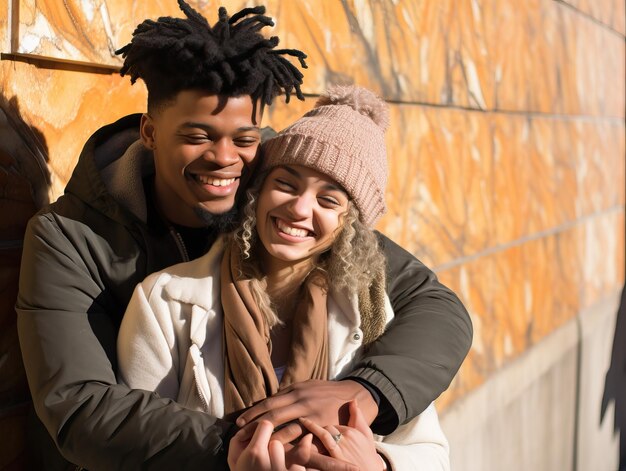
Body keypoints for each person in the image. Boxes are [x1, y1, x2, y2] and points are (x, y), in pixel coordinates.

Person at [16, 1, 471, 469]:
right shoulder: (69, 238)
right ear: (150, 132)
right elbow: (80, 407)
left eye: (244, 139)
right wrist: (259, 442)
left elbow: (435, 306)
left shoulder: (278, 188)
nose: (224, 158)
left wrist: (365, 394)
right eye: (198, 135)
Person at [118, 84, 450, 471]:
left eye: (328, 200)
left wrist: (378, 465)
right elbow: (135, 450)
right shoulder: (165, 301)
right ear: (258, 191)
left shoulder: (372, 314)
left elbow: (432, 453)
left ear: (349, 226)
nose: (299, 208)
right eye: (286, 184)